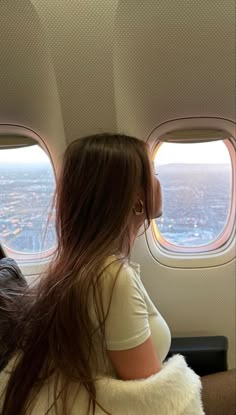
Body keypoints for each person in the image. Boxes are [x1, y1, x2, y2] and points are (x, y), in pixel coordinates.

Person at [0, 133, 235, 415]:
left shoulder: (83, 265)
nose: (160, 183)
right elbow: (150, 398)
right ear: (137, 199)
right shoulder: (112, 278)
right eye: (154, 174)